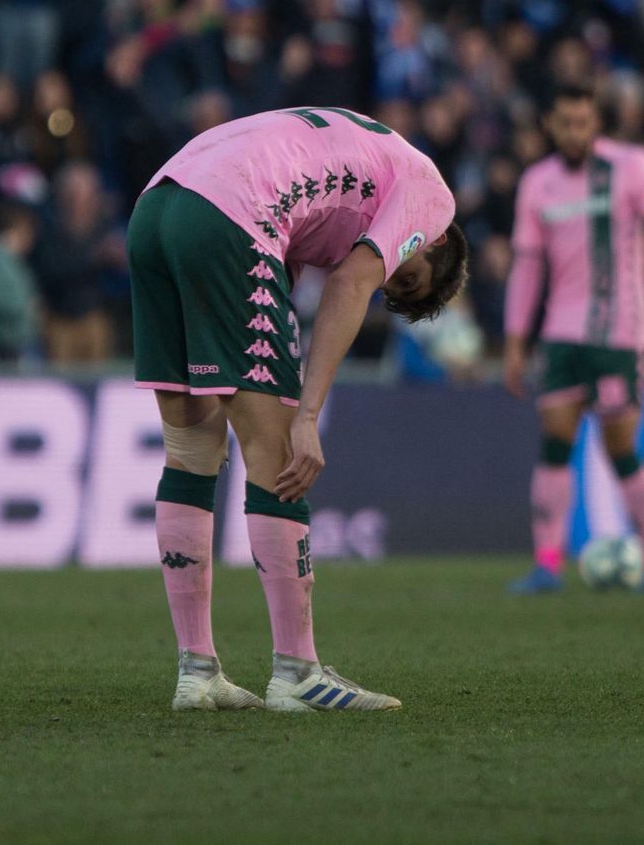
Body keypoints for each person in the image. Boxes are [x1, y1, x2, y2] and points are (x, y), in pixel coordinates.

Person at [128, 105, 468, 712]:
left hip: (156, 206)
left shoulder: (368, 159)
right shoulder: (432, 198)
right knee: (279, 452)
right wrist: (308, 414)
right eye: (408, 278)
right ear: (436, 242)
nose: (391, 280)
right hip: (231, 211)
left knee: (191, 448)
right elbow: (349, 284)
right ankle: (297, 672)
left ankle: (197, 672)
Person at [503, 85, 644, 594]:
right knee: (555, 440)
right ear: (550, 127)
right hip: (561, 334)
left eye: (583, 122)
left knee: (618, 445)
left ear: (597, 123)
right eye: (565, 123)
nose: (574, 132)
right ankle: (548, 563)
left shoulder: (633, 167)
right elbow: (527, 269)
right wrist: (515, 341)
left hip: (621, 333)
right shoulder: (537, 183)